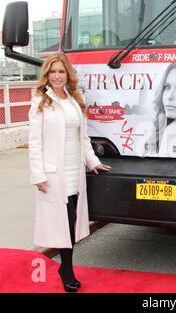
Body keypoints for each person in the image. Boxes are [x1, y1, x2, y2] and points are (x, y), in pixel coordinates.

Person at [28, 53, 111, 292]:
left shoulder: (76, 99)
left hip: (75, 171)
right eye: (52, 71)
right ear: (46, 75)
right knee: (63, 222)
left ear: (68, 74)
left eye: (61, 71)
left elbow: (82, 137)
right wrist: (38, 175)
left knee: (72, 221)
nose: (56, 76)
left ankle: (65, 266)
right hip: (54, 173)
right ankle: (66, 269)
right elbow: (35, 142)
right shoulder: (41, 101)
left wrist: (93, 162)